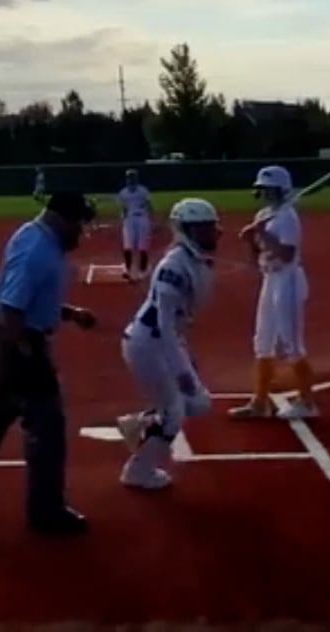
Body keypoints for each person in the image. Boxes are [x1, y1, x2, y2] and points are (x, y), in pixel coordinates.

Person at [0, 190, 100, 535]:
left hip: (6, 343)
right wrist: (26, 355)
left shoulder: (32, 235)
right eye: (78, 223)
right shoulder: (38, 251)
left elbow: (22, 300)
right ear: (62, 220)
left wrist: (69, 313)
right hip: (19, 344)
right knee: (47, 428)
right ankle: (46, 511)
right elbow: (11, 309)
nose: (81, 231)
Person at [116, 197, 219, 490]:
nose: (209, 234)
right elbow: (163, 325)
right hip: (148, 344)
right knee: (174, 411)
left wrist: (183, 357)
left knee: (198, 404)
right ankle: (138, 471)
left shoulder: (193, 260)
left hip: (165, 340)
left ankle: (138, 422)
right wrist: (182, 369)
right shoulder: (173, 266)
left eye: (210, 228)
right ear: (185, 230)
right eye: (202, 228)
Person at [229, 165, 318, 421]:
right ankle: (259, 402)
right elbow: (257, 257)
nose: (265, 193)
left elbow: (287, 254)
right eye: (262, 189)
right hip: (270, 279)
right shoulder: (265, 215)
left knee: (291, 343)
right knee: (262, 342)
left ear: (280, 190)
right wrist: (251, 241)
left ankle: (307, 402)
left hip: (288, 280)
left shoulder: (288, 217)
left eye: (268, 189)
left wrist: (261, 233)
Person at [115, 168, 155, 283]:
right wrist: (122, 219)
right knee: (128, 245)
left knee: (143, 246)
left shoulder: (143, 190)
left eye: (133, 177)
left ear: (136, 178)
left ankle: (142, 271)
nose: (131, 180)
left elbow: (149, 205)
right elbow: (123, 208)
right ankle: (128, 269)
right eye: (129, 178)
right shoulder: (123, 193)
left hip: (142, 218)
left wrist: (152, 220)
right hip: (129, 220)